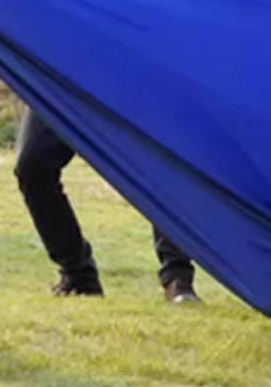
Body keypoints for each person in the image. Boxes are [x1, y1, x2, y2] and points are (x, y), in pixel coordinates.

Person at [14, 108, 202, 303]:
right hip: (65, 90)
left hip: (139, 91)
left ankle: (178, 278)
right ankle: (78, 276)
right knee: (33, 165)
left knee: (164, 165)